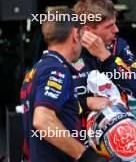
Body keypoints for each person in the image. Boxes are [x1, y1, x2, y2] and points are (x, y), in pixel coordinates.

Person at [21, 8, 111, 162]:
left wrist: (84, 103)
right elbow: (42, 120)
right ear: (76, 35)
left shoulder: (37, 69)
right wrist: (86, 156)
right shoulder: (56, 70)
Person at [72, 0, 136, 105]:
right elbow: (53, 106)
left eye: (115, 24)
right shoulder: (68, 51)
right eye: (109, 26)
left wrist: (107, 57)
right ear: (86, 31)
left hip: (119, 118)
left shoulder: (118, 45)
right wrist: (86, 103)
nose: (116, 30)